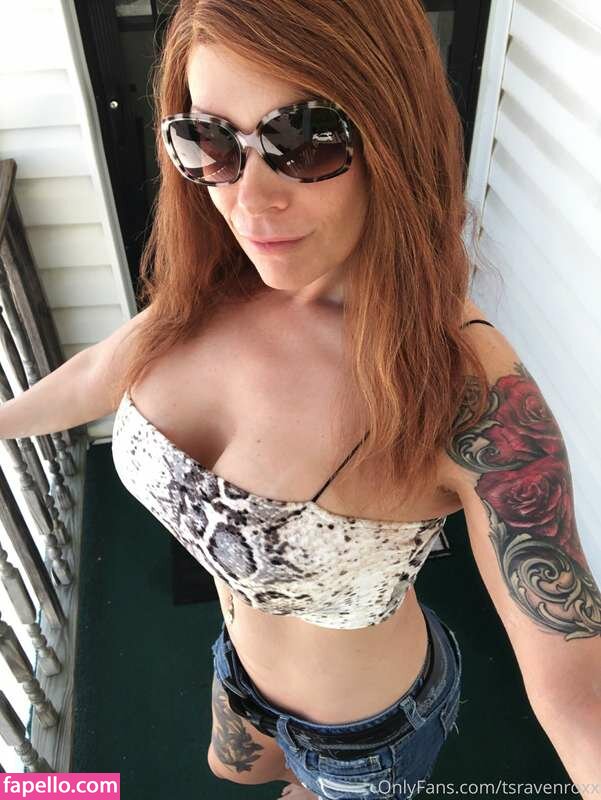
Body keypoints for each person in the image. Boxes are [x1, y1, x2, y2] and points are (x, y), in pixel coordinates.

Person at [2, 0, 599, 797]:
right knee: (228, 771)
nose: (249, 201)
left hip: (364, 735)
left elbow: (579, 693)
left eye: (305, 140)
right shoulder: (211, 290)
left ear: (394, 133)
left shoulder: (468, 392)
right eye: (209, 141)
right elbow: (94, 377)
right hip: (235, 669)